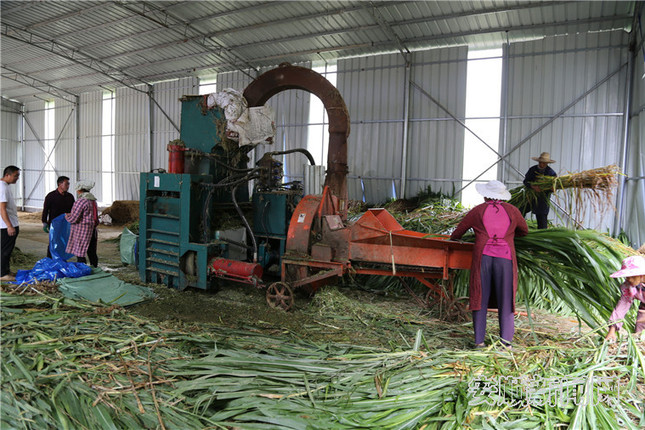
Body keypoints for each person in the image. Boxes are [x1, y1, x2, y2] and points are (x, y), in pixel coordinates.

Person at [450, 180, 529, 348]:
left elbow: (457, 233)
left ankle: (479, 342)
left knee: (480, 297)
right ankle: (506, 343)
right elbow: (524, 231)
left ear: (485, 195)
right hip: (505, 259)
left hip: (483, 258)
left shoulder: (477, 211)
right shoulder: (513, 211)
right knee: (506, 299)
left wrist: (458, 239)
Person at [605, 256, 645, 341]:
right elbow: (622, 307)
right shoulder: (629, 287)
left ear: (642, 274)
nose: (629, 279)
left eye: (633, 276)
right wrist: (612, 330)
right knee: (641, 339)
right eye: (627, 276)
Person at [65, 180, 99, 267]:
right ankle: (95, 267)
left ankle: (82, 269)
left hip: (82, 230)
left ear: (80, 190)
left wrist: (67, 216)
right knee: (91, 251)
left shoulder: (81, 201)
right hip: (92, 229)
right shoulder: (93, 201)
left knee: (80, 251)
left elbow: (74, 218)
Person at [42, 176, 75, 258]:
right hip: (54, 224)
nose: (68, 186)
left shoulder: (70, 197)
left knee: (64, 241)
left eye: (68, 184)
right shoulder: (51, 196)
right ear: (59, 184)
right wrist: (44, 222)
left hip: (66, 224)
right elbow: (45, 210)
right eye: (66, 184)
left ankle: (62, 259)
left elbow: (74, 210)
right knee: (53, 241)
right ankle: (50, 259)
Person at [523, 152, 557, 229]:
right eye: (540, 162)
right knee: (521, 210)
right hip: (530, 197)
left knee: (542, 217)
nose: (542, 164)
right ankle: (520, 229)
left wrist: (551, 189)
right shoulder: (532, 170)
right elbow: (525, 181)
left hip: (543, 199)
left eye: (544, 163)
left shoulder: (551, 173)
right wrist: (533, 187)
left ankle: (542, 235)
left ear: (547, 163)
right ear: (538, 162)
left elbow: (554, 186)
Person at [1, 166, 21, 281]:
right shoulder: (2, 188)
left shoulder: (5, 186)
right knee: (5, 250)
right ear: (7, 175)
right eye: (15, 175)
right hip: (5, 226)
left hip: (9, 223)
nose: (17, 178)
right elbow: (2, 209)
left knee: (8, 250)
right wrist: (9, 225)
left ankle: (6, 270)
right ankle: (2, 274)